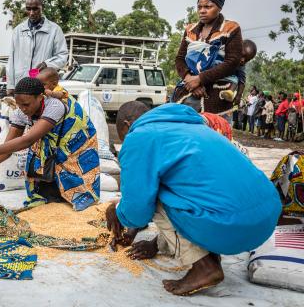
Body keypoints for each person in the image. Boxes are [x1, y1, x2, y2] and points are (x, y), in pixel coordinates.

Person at [105, 101, 281, 296]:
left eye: (123, 135)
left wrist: (118, 212)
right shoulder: (192, 125)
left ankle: (205, 267)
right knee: (181, 188)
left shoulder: (138, 136)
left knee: (155, 191)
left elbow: (138, 210)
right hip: (264, 219)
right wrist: (155, 245)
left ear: (127, 125)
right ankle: (208, 255)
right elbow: (200, 192)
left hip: (231, 226)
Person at [0, 77, 100, 211]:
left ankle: (79, 194)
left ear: (40, 97)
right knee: (38, 161)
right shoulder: (21, 112)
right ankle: (49, 190)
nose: (22, 109)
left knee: (78, 188)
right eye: (19, 104)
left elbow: (27, 140)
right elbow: (8, 148)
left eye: (26, 104)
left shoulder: (54, 106)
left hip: (75, 145)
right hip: (53, 147)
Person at [172, 0, 242, 118]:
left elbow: (232, 62)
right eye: (199, 7)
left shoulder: (231, 29)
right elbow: (180, 59)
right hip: (188, 91)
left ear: (219, 7)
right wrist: (189, 79)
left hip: (217, 98)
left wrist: (200, 79)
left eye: (208, 6)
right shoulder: (190, 30)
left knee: (216, 134)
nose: (202, 11)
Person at [6, 0, 68, 95]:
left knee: (42, 109)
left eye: (35, 9)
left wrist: (46, 64)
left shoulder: (54, 30)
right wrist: (11, 85)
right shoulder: (18, 31)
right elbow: (11, 60)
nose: (31, 13)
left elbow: (62, 56)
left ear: (42, 7)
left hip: (43, 86)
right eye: (28, 9)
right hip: (21, 84)